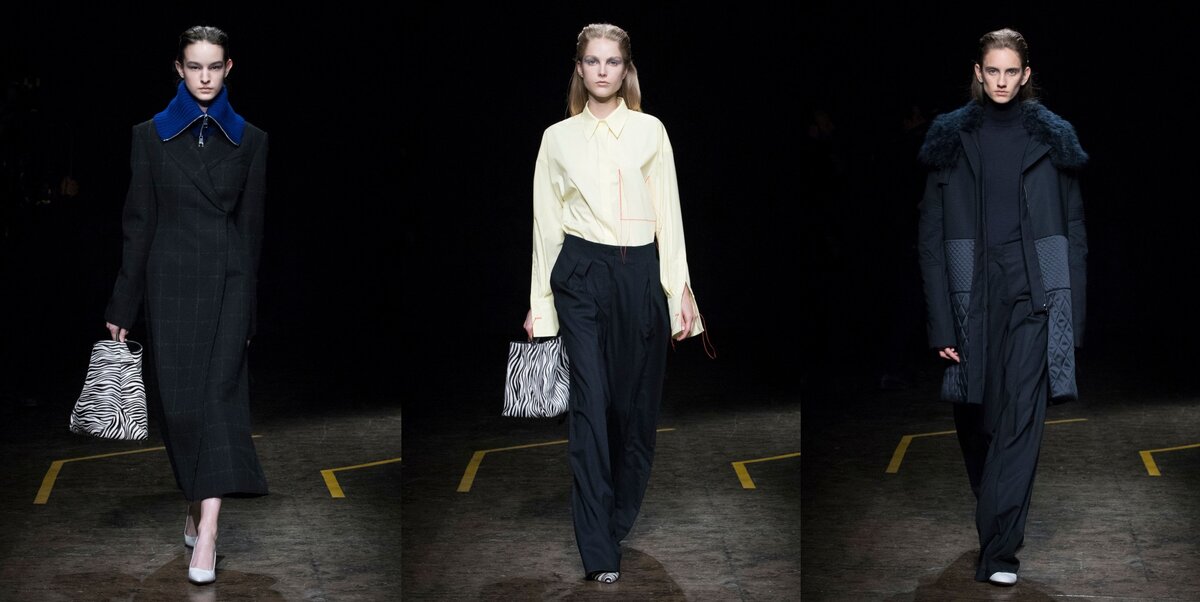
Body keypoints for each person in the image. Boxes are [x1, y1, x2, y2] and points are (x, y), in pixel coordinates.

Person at [523, 23, 704, 584]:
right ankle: (598, 547)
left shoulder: (651, 131)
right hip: (580, 273)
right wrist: (541, 304)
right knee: (589, 407)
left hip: (639, 274)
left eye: (612, 61)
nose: (602, 71)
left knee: (633, 412)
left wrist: (680, 291)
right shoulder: (557, 138)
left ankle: (615, 516)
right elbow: (545, 226)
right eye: (592, 61)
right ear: (579, 69)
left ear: (626, 70)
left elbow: (669, 213)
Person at [917, 28, 1087, 586]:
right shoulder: (951, 139)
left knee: (1021, 422)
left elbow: (1074, 230)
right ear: (978, 72)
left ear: (1026, 74)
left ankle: (1000, 553)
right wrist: (941, 322)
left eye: (1012, 71)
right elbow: (930, 238)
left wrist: (1071, 317)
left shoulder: (1053, 141)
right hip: (972, 295)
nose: (1002, 81)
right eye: (993, 71)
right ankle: (996, 524)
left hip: (1036, 294)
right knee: (979, 423)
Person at [104, 25, 268, 586]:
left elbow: (251, 233)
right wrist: (123, 303)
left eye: (214, 66)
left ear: (228, 68)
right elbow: (138, 224)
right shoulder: (149, 137)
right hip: (169, 285)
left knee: (220, 401)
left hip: (227, 285)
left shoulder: (251, 141)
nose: (204, 77)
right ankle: (195, 504)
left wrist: (249, 310)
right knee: (180, 411)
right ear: (178, 68)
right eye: (194, 66)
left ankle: (211, 532)